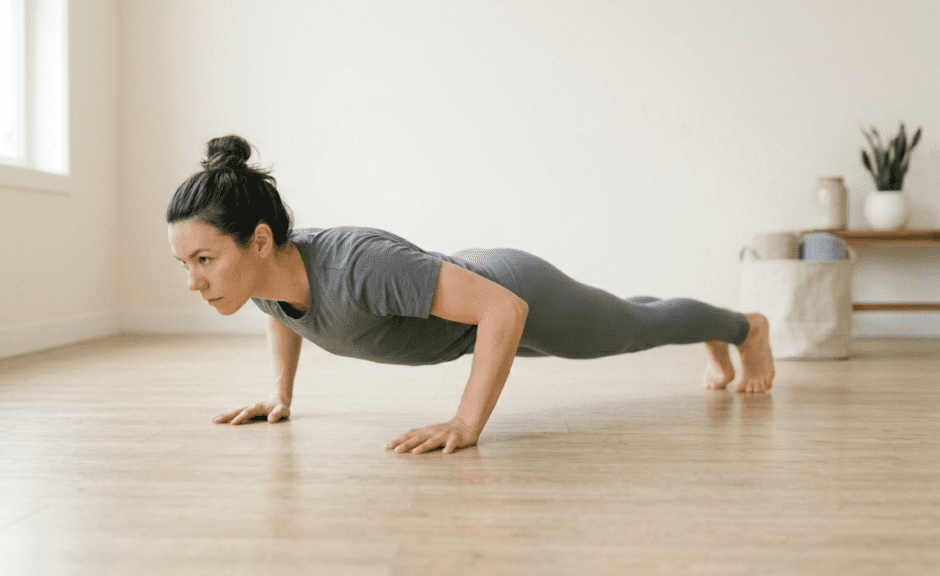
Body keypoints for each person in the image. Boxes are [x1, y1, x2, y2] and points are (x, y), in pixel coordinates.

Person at [167, 135, 775, 455]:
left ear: (261, 241)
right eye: (186, 264)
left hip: (510, 292)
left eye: (204, 260)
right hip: (470, 319)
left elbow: (503, 309)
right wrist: (280, 395)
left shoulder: (358, 268)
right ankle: (707, 330)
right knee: (627, 315)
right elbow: (284, 314)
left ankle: (745, 327)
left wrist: (466, 423)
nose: (194, 281)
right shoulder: (266, 278)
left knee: (628, 331)